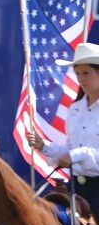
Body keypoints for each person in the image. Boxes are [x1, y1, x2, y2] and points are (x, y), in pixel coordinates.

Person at [29, 42, 99, 214]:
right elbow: (69, 148)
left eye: (86, 73)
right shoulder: (75, 109)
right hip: (75, 188)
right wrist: (43, 146)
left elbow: (75, 153)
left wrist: (75, 155)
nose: (81, 79)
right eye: (77, 74)